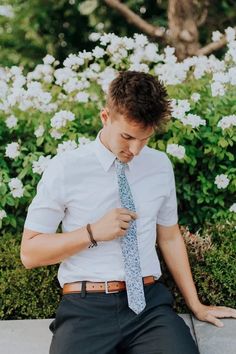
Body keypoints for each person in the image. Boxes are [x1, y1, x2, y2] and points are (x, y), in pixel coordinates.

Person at [21, 71, 236, 354]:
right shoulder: (65, 168)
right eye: (127, 137)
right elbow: (30, 253)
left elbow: (169, 237)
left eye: (144, 139)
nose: (135, 149)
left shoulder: (160, 166)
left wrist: (195, 304)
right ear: (105, 117)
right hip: (85, 308)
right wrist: (92, 232)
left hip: (149, 306)